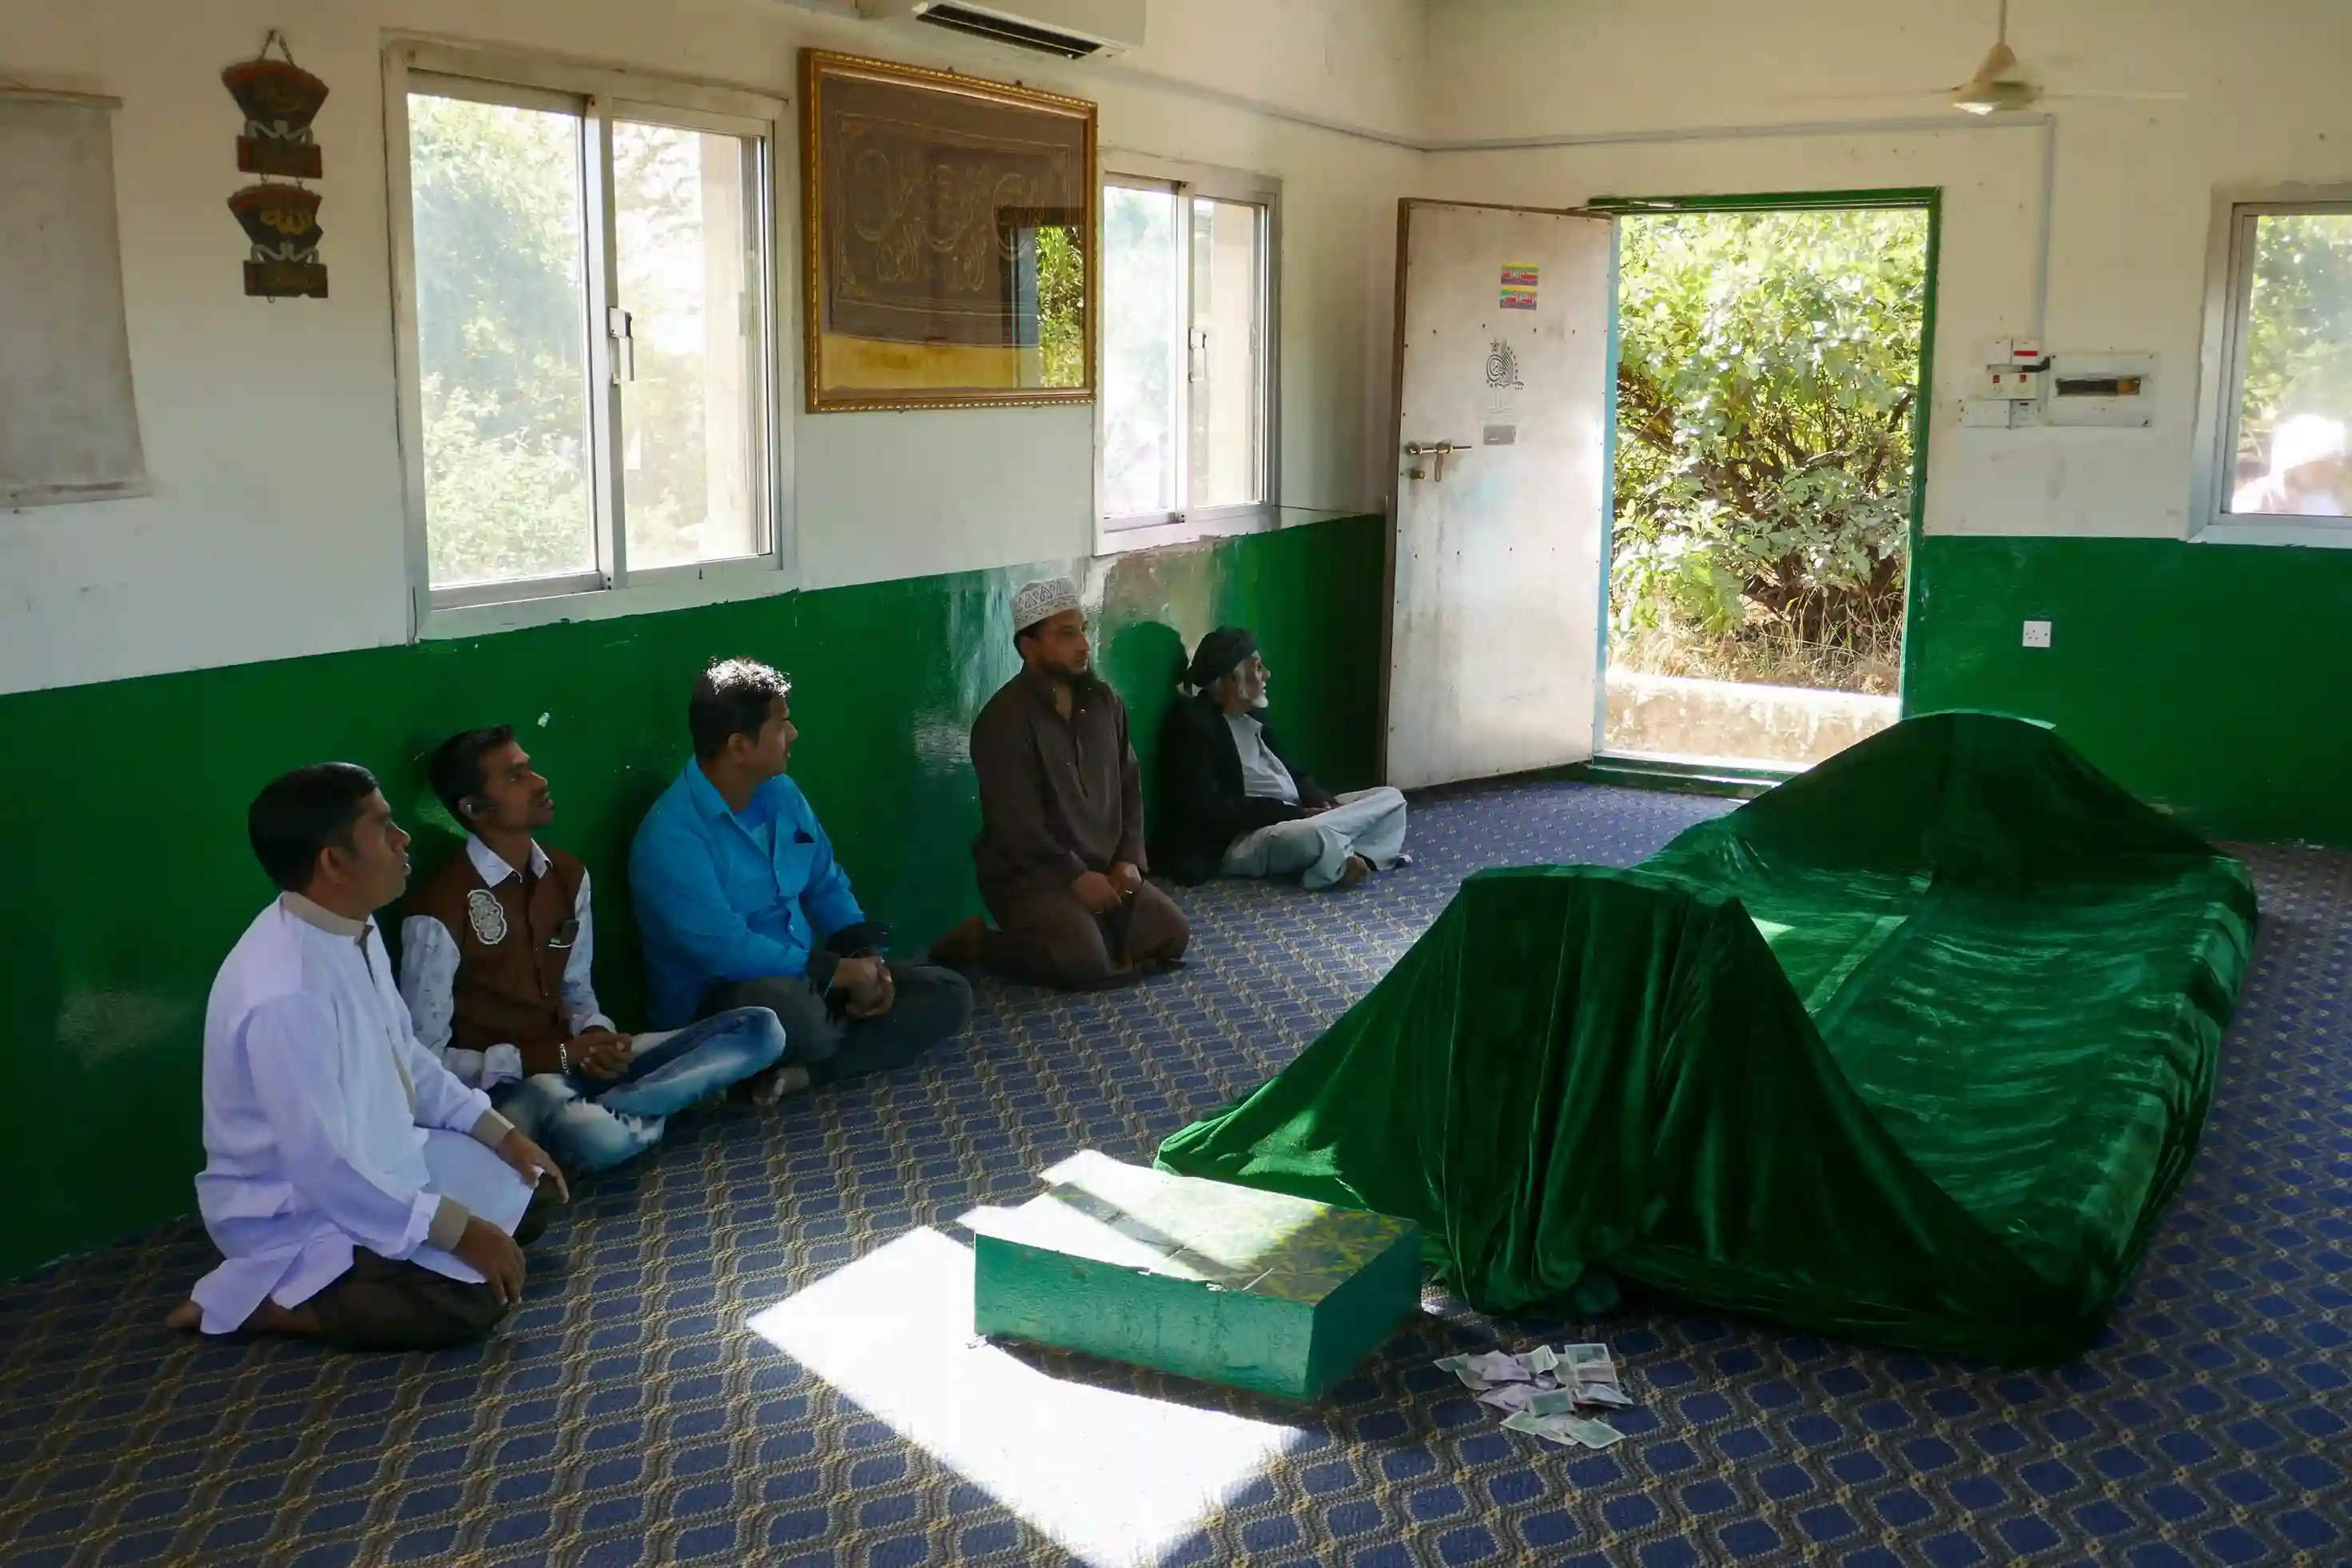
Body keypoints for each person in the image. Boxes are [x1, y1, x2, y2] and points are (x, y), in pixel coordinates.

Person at [167, 764, 569, 1351]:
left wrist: (500, 1134)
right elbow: (323, 1167)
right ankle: (262, 1302)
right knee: (468, 1302)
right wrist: (455, 1229)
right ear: (333, 863)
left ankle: (389, 1259)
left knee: (528, 1196)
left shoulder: (350, 926)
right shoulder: (284, 992)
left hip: (384, 1156)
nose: (404, 839)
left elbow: (401, 1051)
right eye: (385, 828)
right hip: (299, 1208)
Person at [398, 726, 798, 1178]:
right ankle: (625, 1115)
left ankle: (615, 1111)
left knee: (762, 1029)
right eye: (515, 777)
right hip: (512, 1089)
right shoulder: (438, 909)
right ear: (473, 808)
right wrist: (551, 1059)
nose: (539, 782)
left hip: (577, 1063)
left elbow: (577, 992)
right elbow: (424, 1061)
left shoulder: (567, 876)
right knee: (589, 1129)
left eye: (530, 768)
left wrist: (597, 1038)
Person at [630, 658, 973, 1082]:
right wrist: (837, 974)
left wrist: (865, 960)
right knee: (796, 1016)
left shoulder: (782, 794)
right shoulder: (673, 836)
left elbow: (825, 882)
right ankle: (807, 1052)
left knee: (949, 994)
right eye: (781, 725)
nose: (793, 734)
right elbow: (727, 951)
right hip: (723, 1001)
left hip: (808, 976)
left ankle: (802, 1074)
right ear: (739, 746)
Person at [933, 579, 1191, 989]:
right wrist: (1075, 876)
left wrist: (1127, 859)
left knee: (1171, 934)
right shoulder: (1003, 721)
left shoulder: (1105, 702)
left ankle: (1092, 931)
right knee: (1083, 963)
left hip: (1104, 870)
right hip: (1031, 877)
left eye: (1084, 630)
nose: (1084, 645)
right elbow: (1017, 827)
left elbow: (1129, 784)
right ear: (1028, 645)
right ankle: (981, 944)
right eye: (1067, 634)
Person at [1156, 626, 1411, 890]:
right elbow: (1213, 809)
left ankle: (1350, 856)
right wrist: (1295, 814)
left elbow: (1291, 771)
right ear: (1233, 679)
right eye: (1257, 668)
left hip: (1297, 812)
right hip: (1246, 837)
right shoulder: (1193, 724)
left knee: (1392, 798)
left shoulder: (1254, 715)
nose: (1267, 674)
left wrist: (1323, 800)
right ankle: (1342, 856)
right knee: (1315, 835)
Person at [2232, 413, 2348, 516]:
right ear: (2293, 464)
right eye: (2323, 464)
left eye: (2337, 462)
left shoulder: (2334, 499)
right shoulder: (2255, 499)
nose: (2334, 470)